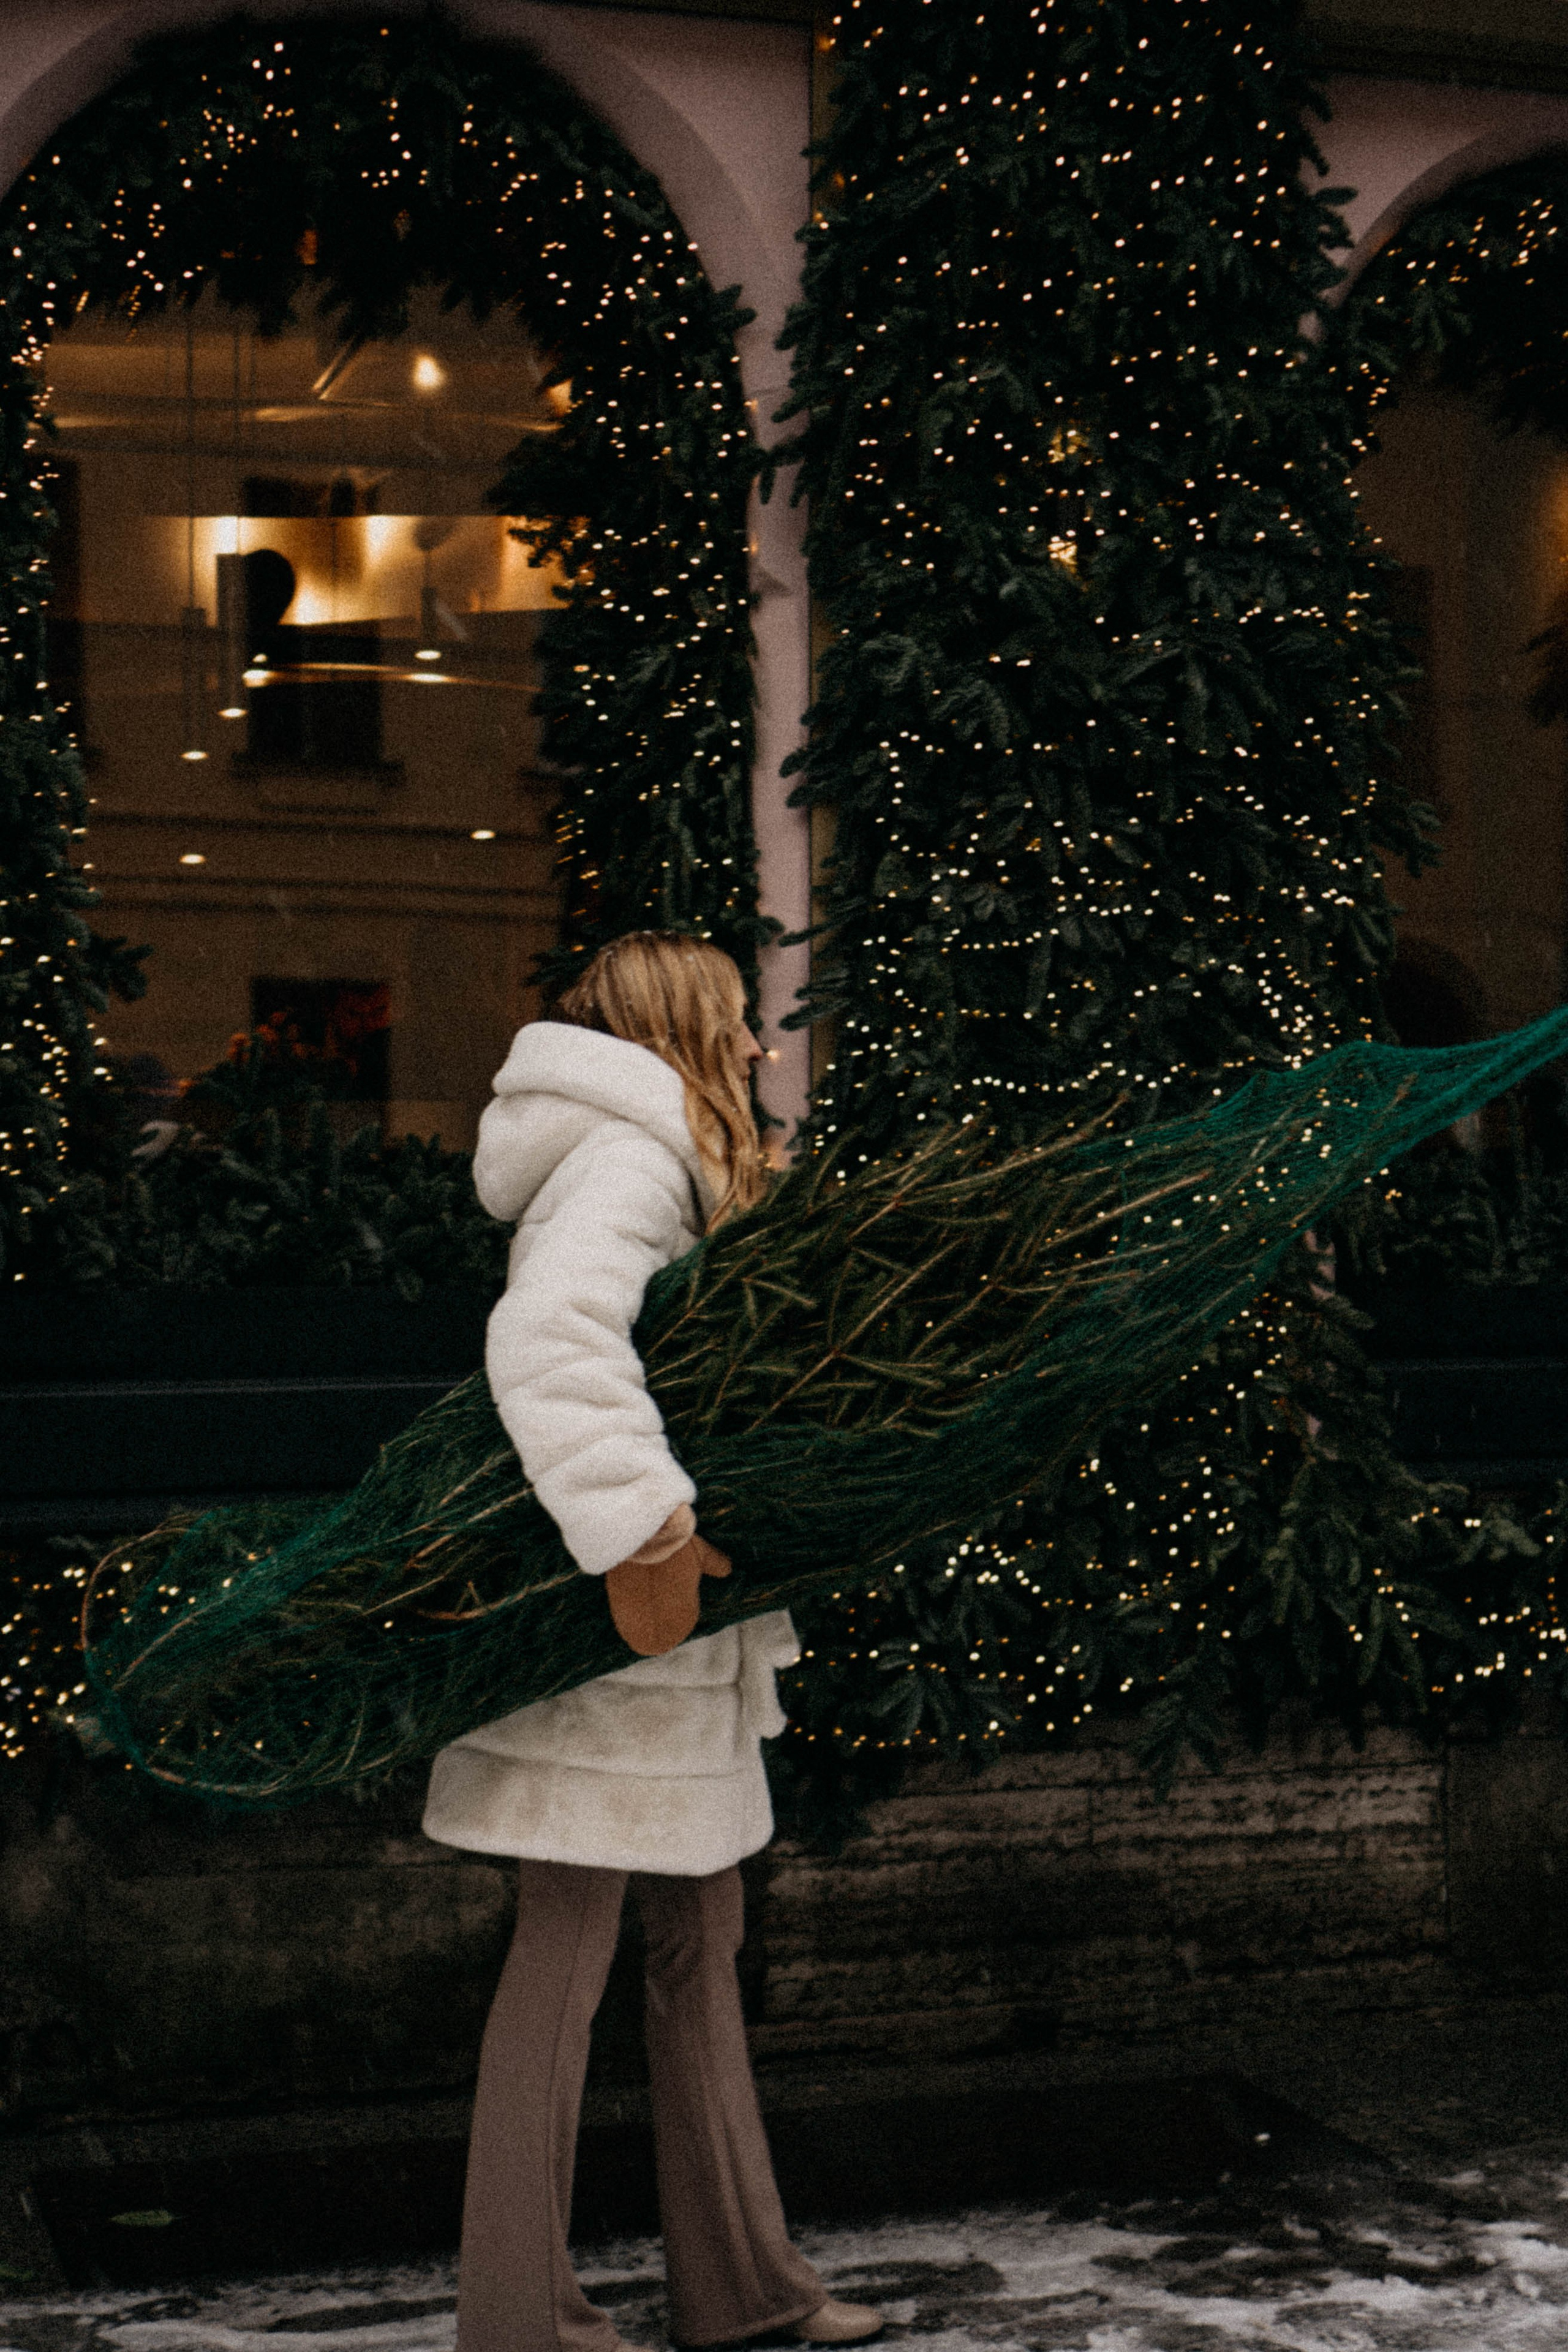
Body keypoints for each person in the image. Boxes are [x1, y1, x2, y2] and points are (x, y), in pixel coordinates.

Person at [423, 932, 882, 2352]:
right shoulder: (625, 1162)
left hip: (669, 1655)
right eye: (731, 1021)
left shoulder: (658, 1159)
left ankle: (739, 2284)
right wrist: (647, 1529)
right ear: (679, 1027)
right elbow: (551, 1343)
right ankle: (521, 2318)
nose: (752, 1046)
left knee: (696, 1940)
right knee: (569, 1956)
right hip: (615, 1642)